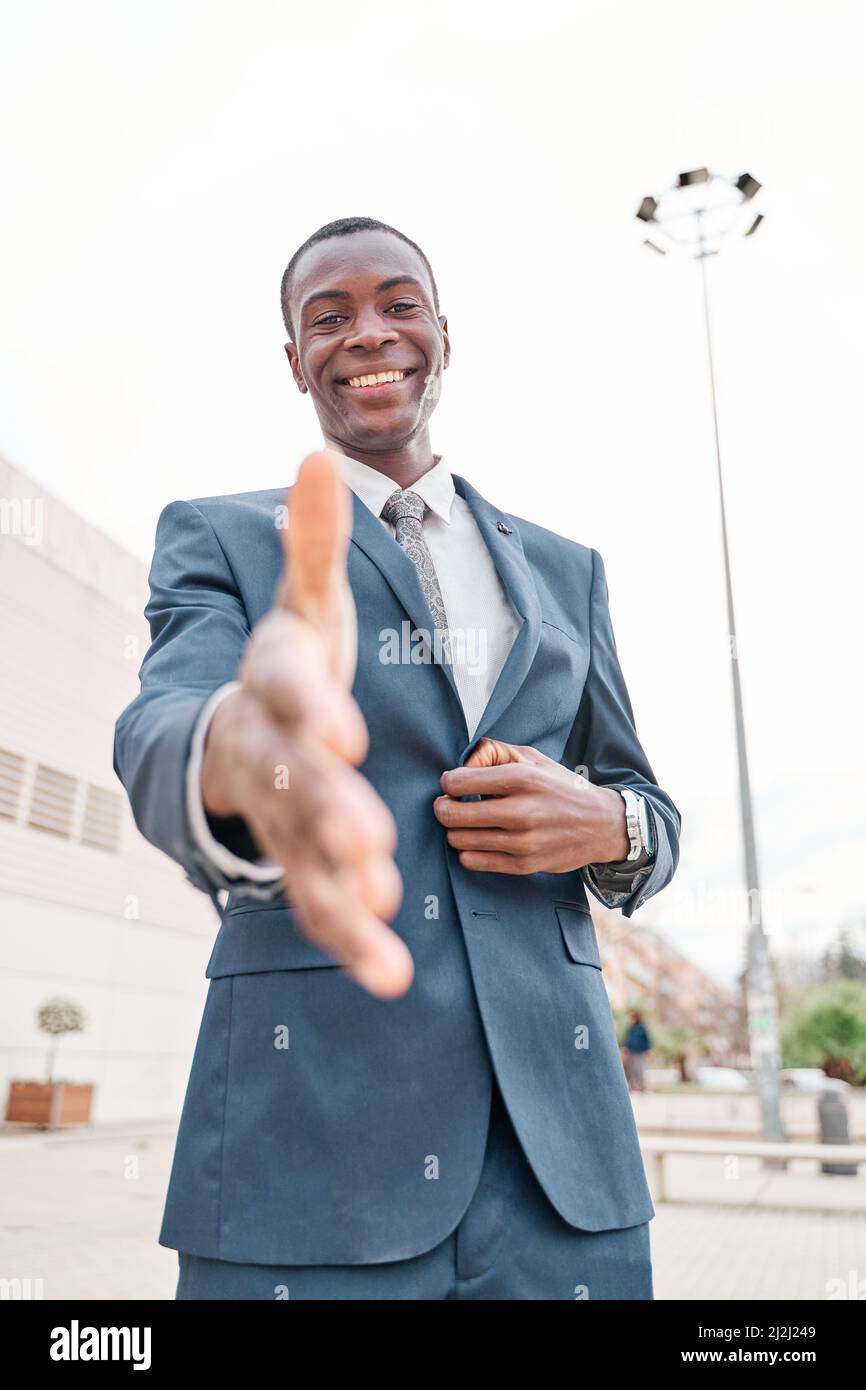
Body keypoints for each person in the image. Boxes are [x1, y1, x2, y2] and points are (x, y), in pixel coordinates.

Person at [114, 216, 681, 1300]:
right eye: (327, 317)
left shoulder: (569, 571)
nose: (366, 332)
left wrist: (609, 824)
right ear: (295, 362)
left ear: (441, 334)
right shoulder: (222, 535)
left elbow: (643, 801)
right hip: (308, 1157)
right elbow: (163, 724)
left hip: (564, 1178)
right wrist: (240, 754)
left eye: (395, 303)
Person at [623, 1010, 653, 1092]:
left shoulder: (642, 1027)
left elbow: (647, 1039)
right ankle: (632, 1086)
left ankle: (642, 1087)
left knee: (640, 1069)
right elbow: (627, 1039)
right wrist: (626, 1048)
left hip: (640, 1052)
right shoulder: (631, 1027)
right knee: (632, 1069)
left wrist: (648, 1049)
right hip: (632, 1051)